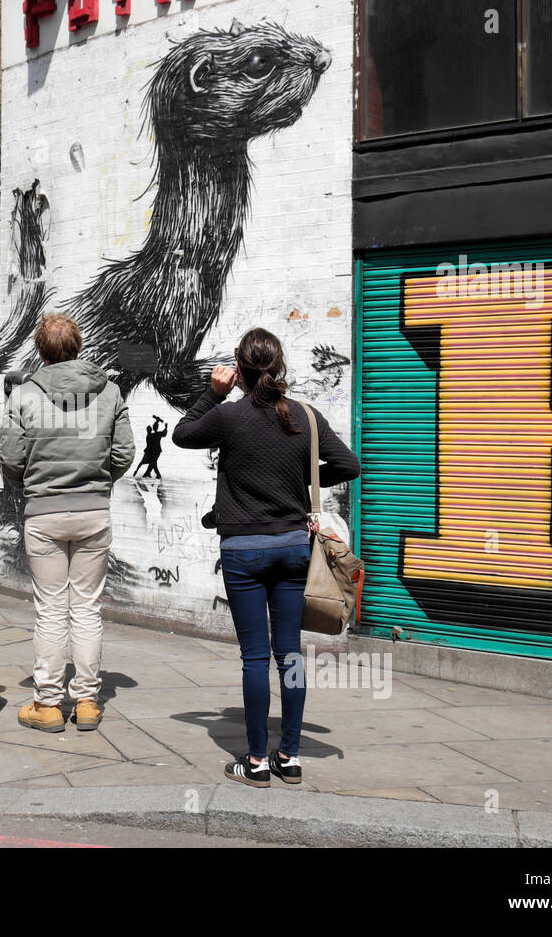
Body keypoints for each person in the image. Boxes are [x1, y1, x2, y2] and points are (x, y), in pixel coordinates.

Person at [173, 327, 360, 788]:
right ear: (279, 366)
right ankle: (289, 756)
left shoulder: (229, 416)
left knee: (254, 657)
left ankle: (256, 762)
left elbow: (182, 434)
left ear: (238, 370)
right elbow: (350, 466)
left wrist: (211, 394)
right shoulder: (306, 416)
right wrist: (298, 483)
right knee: (289, 654)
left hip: (242, 552)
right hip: (293, 547)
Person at [1, 314, 134, 733]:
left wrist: (31, 483)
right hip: (94, 511)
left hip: (44, 513)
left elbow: (10, 458)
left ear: (40, 350)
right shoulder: (110, 392)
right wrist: (98, 482)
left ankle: (47, 703)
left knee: (51, 610)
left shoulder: (23, 395)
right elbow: (124, 453)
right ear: (77, 346)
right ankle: (89, 701)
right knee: (88, 608)